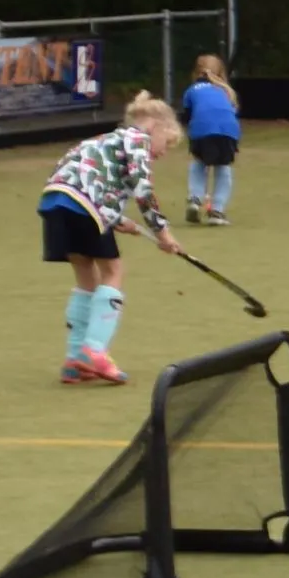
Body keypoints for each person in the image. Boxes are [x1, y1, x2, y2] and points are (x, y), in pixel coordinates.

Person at [44, 93, 188, 385]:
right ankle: (94, 352)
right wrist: (163, 233)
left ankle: (74, 359)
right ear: (155, 126)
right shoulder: (138, 139)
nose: (162, 153)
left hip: (55, 202)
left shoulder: (105, 139)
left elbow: (90, 179)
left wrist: (118, 220)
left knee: (86, 276)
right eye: (167, 142)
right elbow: (143, 190)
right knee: (113, 271)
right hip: (85, 205)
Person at [180, 55, 241, 225]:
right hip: (229, 131)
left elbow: (186, 116)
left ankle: (195, 198)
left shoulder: (192, 90)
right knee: (223, 168)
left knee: (199, 162)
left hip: (202, 128)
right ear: (221, 72)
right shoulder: (226, 90)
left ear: (196, 72)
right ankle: (217, 211)